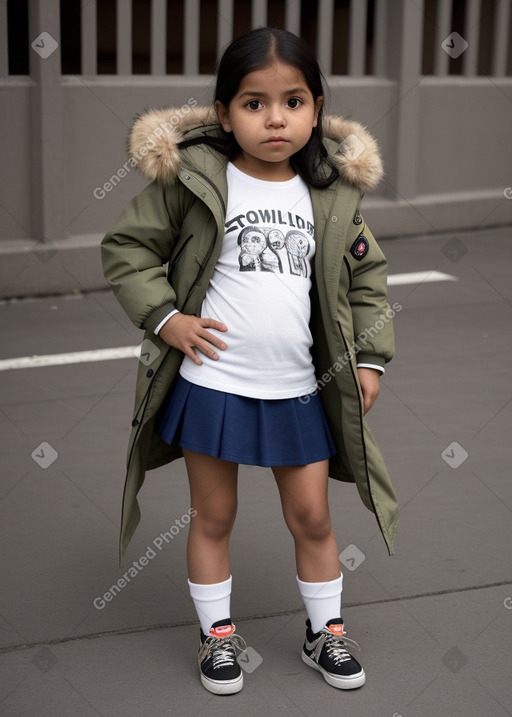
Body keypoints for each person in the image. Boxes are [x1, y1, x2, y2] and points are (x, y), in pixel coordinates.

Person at [101, 26, 398, 696]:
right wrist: (166, 318)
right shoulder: (197, 179)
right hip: (214, 384)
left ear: (317, 109)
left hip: (299, 388)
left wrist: (371, 358)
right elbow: (127, 246)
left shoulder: (331, 197)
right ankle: (218, 639)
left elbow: (368, 280)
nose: (274, 118)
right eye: (254, 103)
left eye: (292, 101)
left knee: (314, 517)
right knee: (213, 516)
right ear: (224, 112)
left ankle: (326, 632)